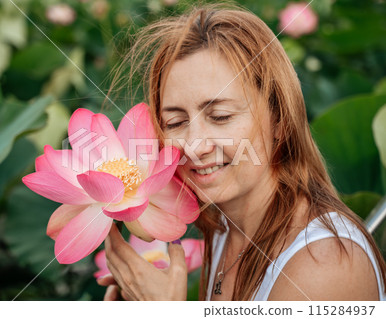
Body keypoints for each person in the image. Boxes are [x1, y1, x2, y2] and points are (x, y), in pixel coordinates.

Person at [96, 3, 386, 300]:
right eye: (176, 122)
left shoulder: (326, 264)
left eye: (220, 117)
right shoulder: (224, 226)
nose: (195, 146)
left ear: (279, 120)